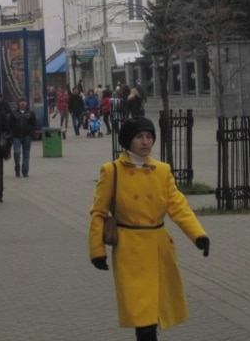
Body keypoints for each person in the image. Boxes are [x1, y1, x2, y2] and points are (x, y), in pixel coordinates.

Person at [88, 116, 209, 341]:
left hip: (158, 249)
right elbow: (99, 213)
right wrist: (97, 251)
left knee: (152, 315)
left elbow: (178, 207)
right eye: (139, 137)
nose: (145, 142)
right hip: (129, 251)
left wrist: (198, 235)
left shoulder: (162, 170)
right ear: (128, 140)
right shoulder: (112, 171)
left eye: (149, 136)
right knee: (142, 318)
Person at [8, 97, 37, 177]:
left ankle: (25, 171)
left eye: (24, 101)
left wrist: (31, 133)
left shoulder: (30, 113)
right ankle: (17, 167)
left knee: (26, 154)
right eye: (21, 101)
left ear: (26, 103)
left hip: (27, 136)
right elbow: (9, 124)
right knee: (17, 152)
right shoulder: (14, 113)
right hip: (16, 137)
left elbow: (34, 124)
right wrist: (10, 134)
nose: (23, 103)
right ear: (18, 103)